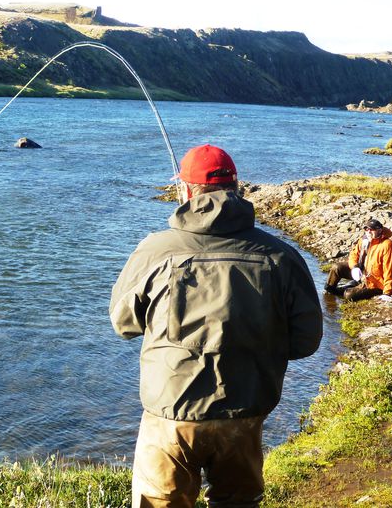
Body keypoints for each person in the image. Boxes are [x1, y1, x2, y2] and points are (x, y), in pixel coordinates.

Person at [110, 144, 323, 508]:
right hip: (244, 412)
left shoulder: (153, 250)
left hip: (170, 412)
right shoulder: (280, 256)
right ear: (238, 189)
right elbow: (307, 341)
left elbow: (123, 324)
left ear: (185, 191)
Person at [324, 218, 392, 302]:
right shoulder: (364, 240)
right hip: (362, 274)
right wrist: (355, 267)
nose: (368, 231)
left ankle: (351, 288)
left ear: (379, 230)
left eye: (372, 229)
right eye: (366, 229)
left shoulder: (387, 245)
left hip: (376, 283)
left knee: (348, 295)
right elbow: (353, 255)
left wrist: (387, 293)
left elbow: (390, 271)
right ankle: (330, 291)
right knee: (336, 268)